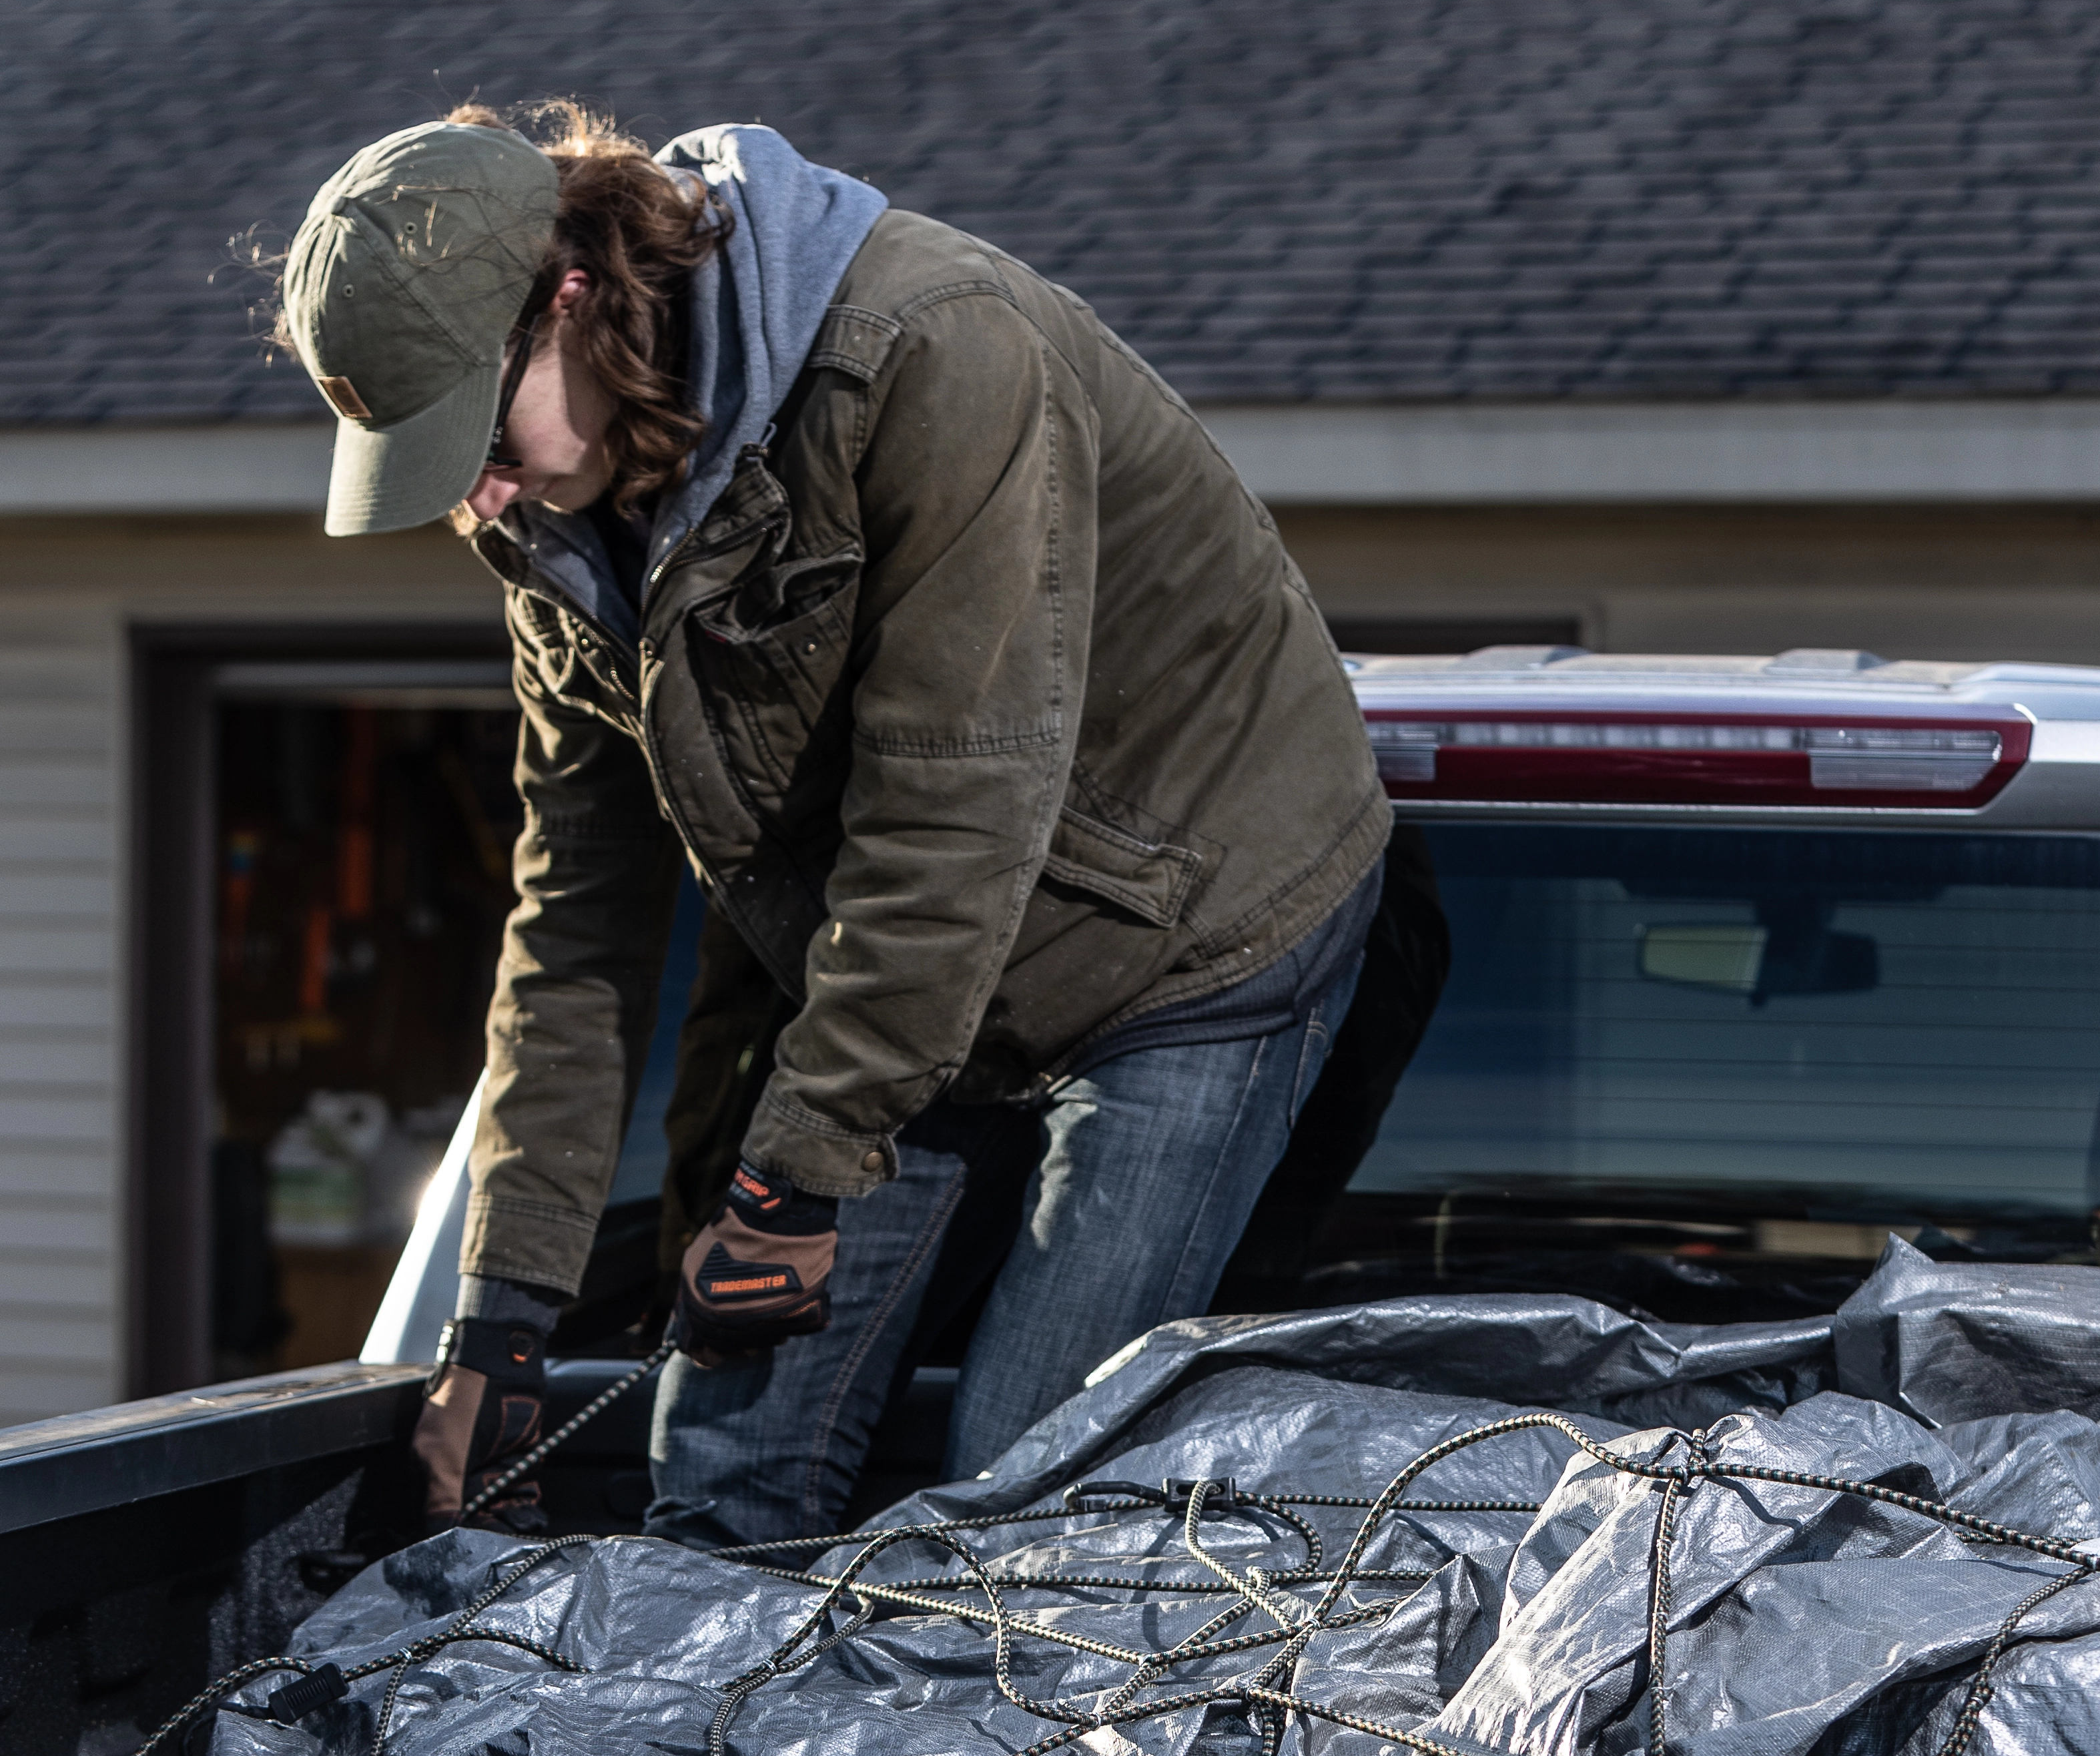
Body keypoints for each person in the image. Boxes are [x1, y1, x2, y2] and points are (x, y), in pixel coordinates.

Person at [278, 105, 1392, 1539]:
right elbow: (577, 927)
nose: (477, 497)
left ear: (571, 296)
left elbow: (954, 805)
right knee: (725, 1476)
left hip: (1191, 931)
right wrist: (500, 1328)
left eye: (476, 436)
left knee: (1014, 1489)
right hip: (904, 969)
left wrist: (791, 1180)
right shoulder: (551, 518)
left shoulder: (933, 348)